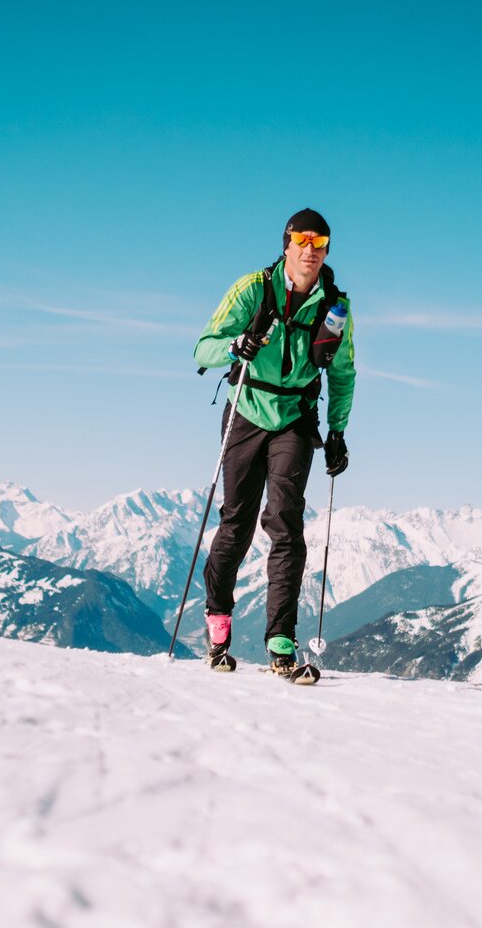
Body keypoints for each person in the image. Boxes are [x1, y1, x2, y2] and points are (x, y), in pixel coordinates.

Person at [193, 208, 356, 674]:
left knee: (286, 521)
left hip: (297, 418)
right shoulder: (252, 289)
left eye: (320, 242)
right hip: (246, 409)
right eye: (302, 240)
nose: (311, 250)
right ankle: (219, 623)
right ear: (286, 244)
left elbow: (343, 370)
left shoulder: (335, 305)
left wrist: (338, 431)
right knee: (237, 521)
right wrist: (234, 345)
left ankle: (281, 639)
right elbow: (202, 346)